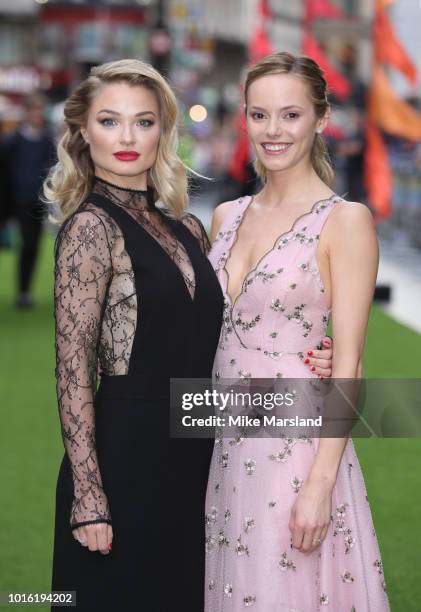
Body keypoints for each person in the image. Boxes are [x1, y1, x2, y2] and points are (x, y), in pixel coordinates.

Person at [205, 52, 390, 611]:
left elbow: (350, 363)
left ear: (321, 118)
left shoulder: (346, 221)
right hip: (223, 443)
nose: (273, 130)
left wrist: (320, 483)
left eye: (290, 114)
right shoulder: (226, 216)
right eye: (259, 115)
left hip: (298, 452)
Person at [44, 58, 227, 611]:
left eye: (143, 122)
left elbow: (220, 342)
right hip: (124, 459)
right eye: (109, 120)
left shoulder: (188, 226)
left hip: (197, 448)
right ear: (82, 131)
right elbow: (73, 365)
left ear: (162, 131)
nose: (127, 137)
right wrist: (89, 495)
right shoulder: (90, 228)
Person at [2, 93, 55, 308]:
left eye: (39, 111)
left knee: (33, 245)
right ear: (26, 113)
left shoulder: (47, 141)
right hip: (17, 201)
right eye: (32, 111)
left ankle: (24, 292)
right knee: (27, 242)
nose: (36, 115)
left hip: (38, 202)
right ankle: (23, 292)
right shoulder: (11, 142)